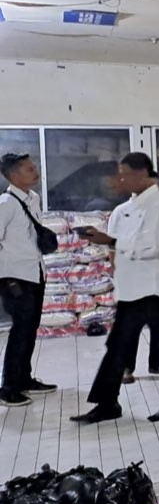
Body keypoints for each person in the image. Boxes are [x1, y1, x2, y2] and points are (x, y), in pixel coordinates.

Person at [72, 153, 159, 423]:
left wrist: (110, 239)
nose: (120, 179)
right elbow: (122, 245)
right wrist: (108, 242)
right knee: (118, 346)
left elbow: (152, 247)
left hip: (154, 287)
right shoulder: (128, 207)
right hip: (132, 288)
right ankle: (107, 403)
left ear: (141, 174)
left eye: (124, 174)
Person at [0, 154, 56, 408]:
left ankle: (24, 379)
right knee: (20, 331)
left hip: (35, 272)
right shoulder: (5, 203)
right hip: (15, 277)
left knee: (30, 329)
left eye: (35, 168)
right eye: (29, 169)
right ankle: (8, 387)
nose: (36, 172)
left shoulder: (33, 199)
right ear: (13, 176)